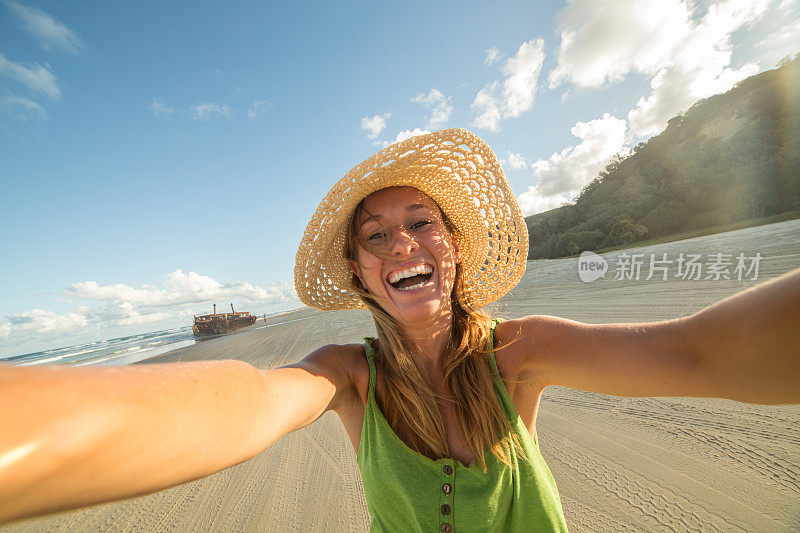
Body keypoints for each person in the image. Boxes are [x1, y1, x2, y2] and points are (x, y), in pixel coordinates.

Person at [1, 129, 798, 530]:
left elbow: (694, 351)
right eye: (375, 236)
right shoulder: (349, 375)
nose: (402, 244)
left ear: (453, 245)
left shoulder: (518, 354)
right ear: (357, 272)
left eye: (421, 223)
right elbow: (245, 406)